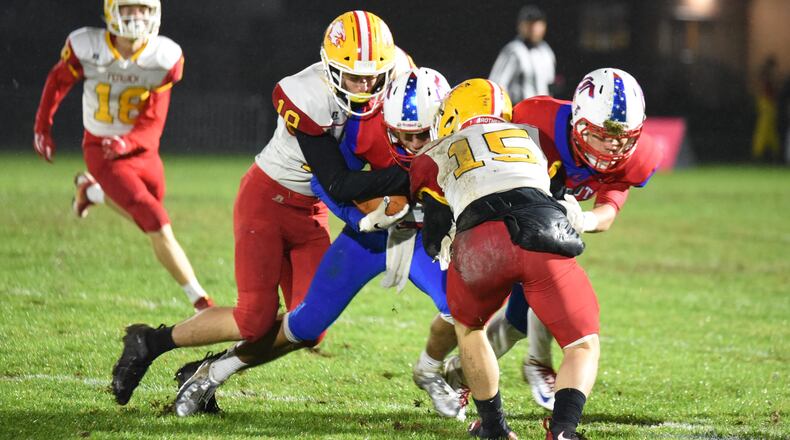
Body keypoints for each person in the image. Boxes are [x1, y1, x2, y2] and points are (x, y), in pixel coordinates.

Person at [110, 10, 415, 406]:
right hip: (267, 201)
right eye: (354, 76)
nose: (365, 85)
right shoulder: (303, 93)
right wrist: (408, 179)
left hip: (312, 211)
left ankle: (209, 371)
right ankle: (150, 341)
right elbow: (338, 181)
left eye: (373, 75)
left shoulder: (397, 75)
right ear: (330, 67)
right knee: (254, 318)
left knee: (311, 324)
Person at [171, 67, 467, 419]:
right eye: (403, 135)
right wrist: (363, 219)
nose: (414, 145)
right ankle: (213, 373)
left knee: (461, 308)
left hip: (421, 238)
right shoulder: (364, 128)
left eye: (421, 134)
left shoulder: (459, 135)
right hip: (369, 238)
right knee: (307, 324)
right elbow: (326, 184)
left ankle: (431, 372)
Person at [442, 68, 662, 413]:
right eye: (602, 135)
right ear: (577, 122)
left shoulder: (637, 157)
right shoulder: (536, 121)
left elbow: (609, 210)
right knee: (479, 310)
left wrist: (584, 219)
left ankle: (460, 374)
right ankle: (528, 364)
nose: (614, 146)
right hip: (506, 219)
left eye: (623, 138)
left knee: (518, 318)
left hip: (548, 229)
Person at [410, 78, 598, 440]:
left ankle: (495, 428)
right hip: (542, 230)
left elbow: (434, 225)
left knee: (469, 327)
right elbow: (557, 193)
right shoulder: (535, 136)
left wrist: (443, 246)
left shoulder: (431, 154)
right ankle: (564, 430)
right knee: (581, 343)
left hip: (479, 240)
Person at [32, 0, 214, 311]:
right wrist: (42, 127)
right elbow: (57, 81)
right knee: (155, 220)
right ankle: (200, 301)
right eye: (129, 9)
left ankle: (90, 191)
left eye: (142, 9)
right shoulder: (88, 46)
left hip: (141, 147)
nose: (136, 16)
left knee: (151, 207)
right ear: (111, 11)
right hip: (101, 149)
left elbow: (154, 123)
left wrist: (127, 143)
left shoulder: (163, 57)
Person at [489, 5, 556, 102]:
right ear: (520, 26)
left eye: (537, 24)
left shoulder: (547, 52)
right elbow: (496, 86)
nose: (533, 28)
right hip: (519, 113)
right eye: (529, 24)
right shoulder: (513, 50)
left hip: (543, 112)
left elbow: (549, 86)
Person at [752, 56, 781, 162]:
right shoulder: (767, 76)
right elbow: (763, 89)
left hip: (769, 102)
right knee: (764, 128)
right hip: (766, 102)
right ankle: (758, 154)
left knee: (770, 129)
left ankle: (774, 153)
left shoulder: (766, 75)